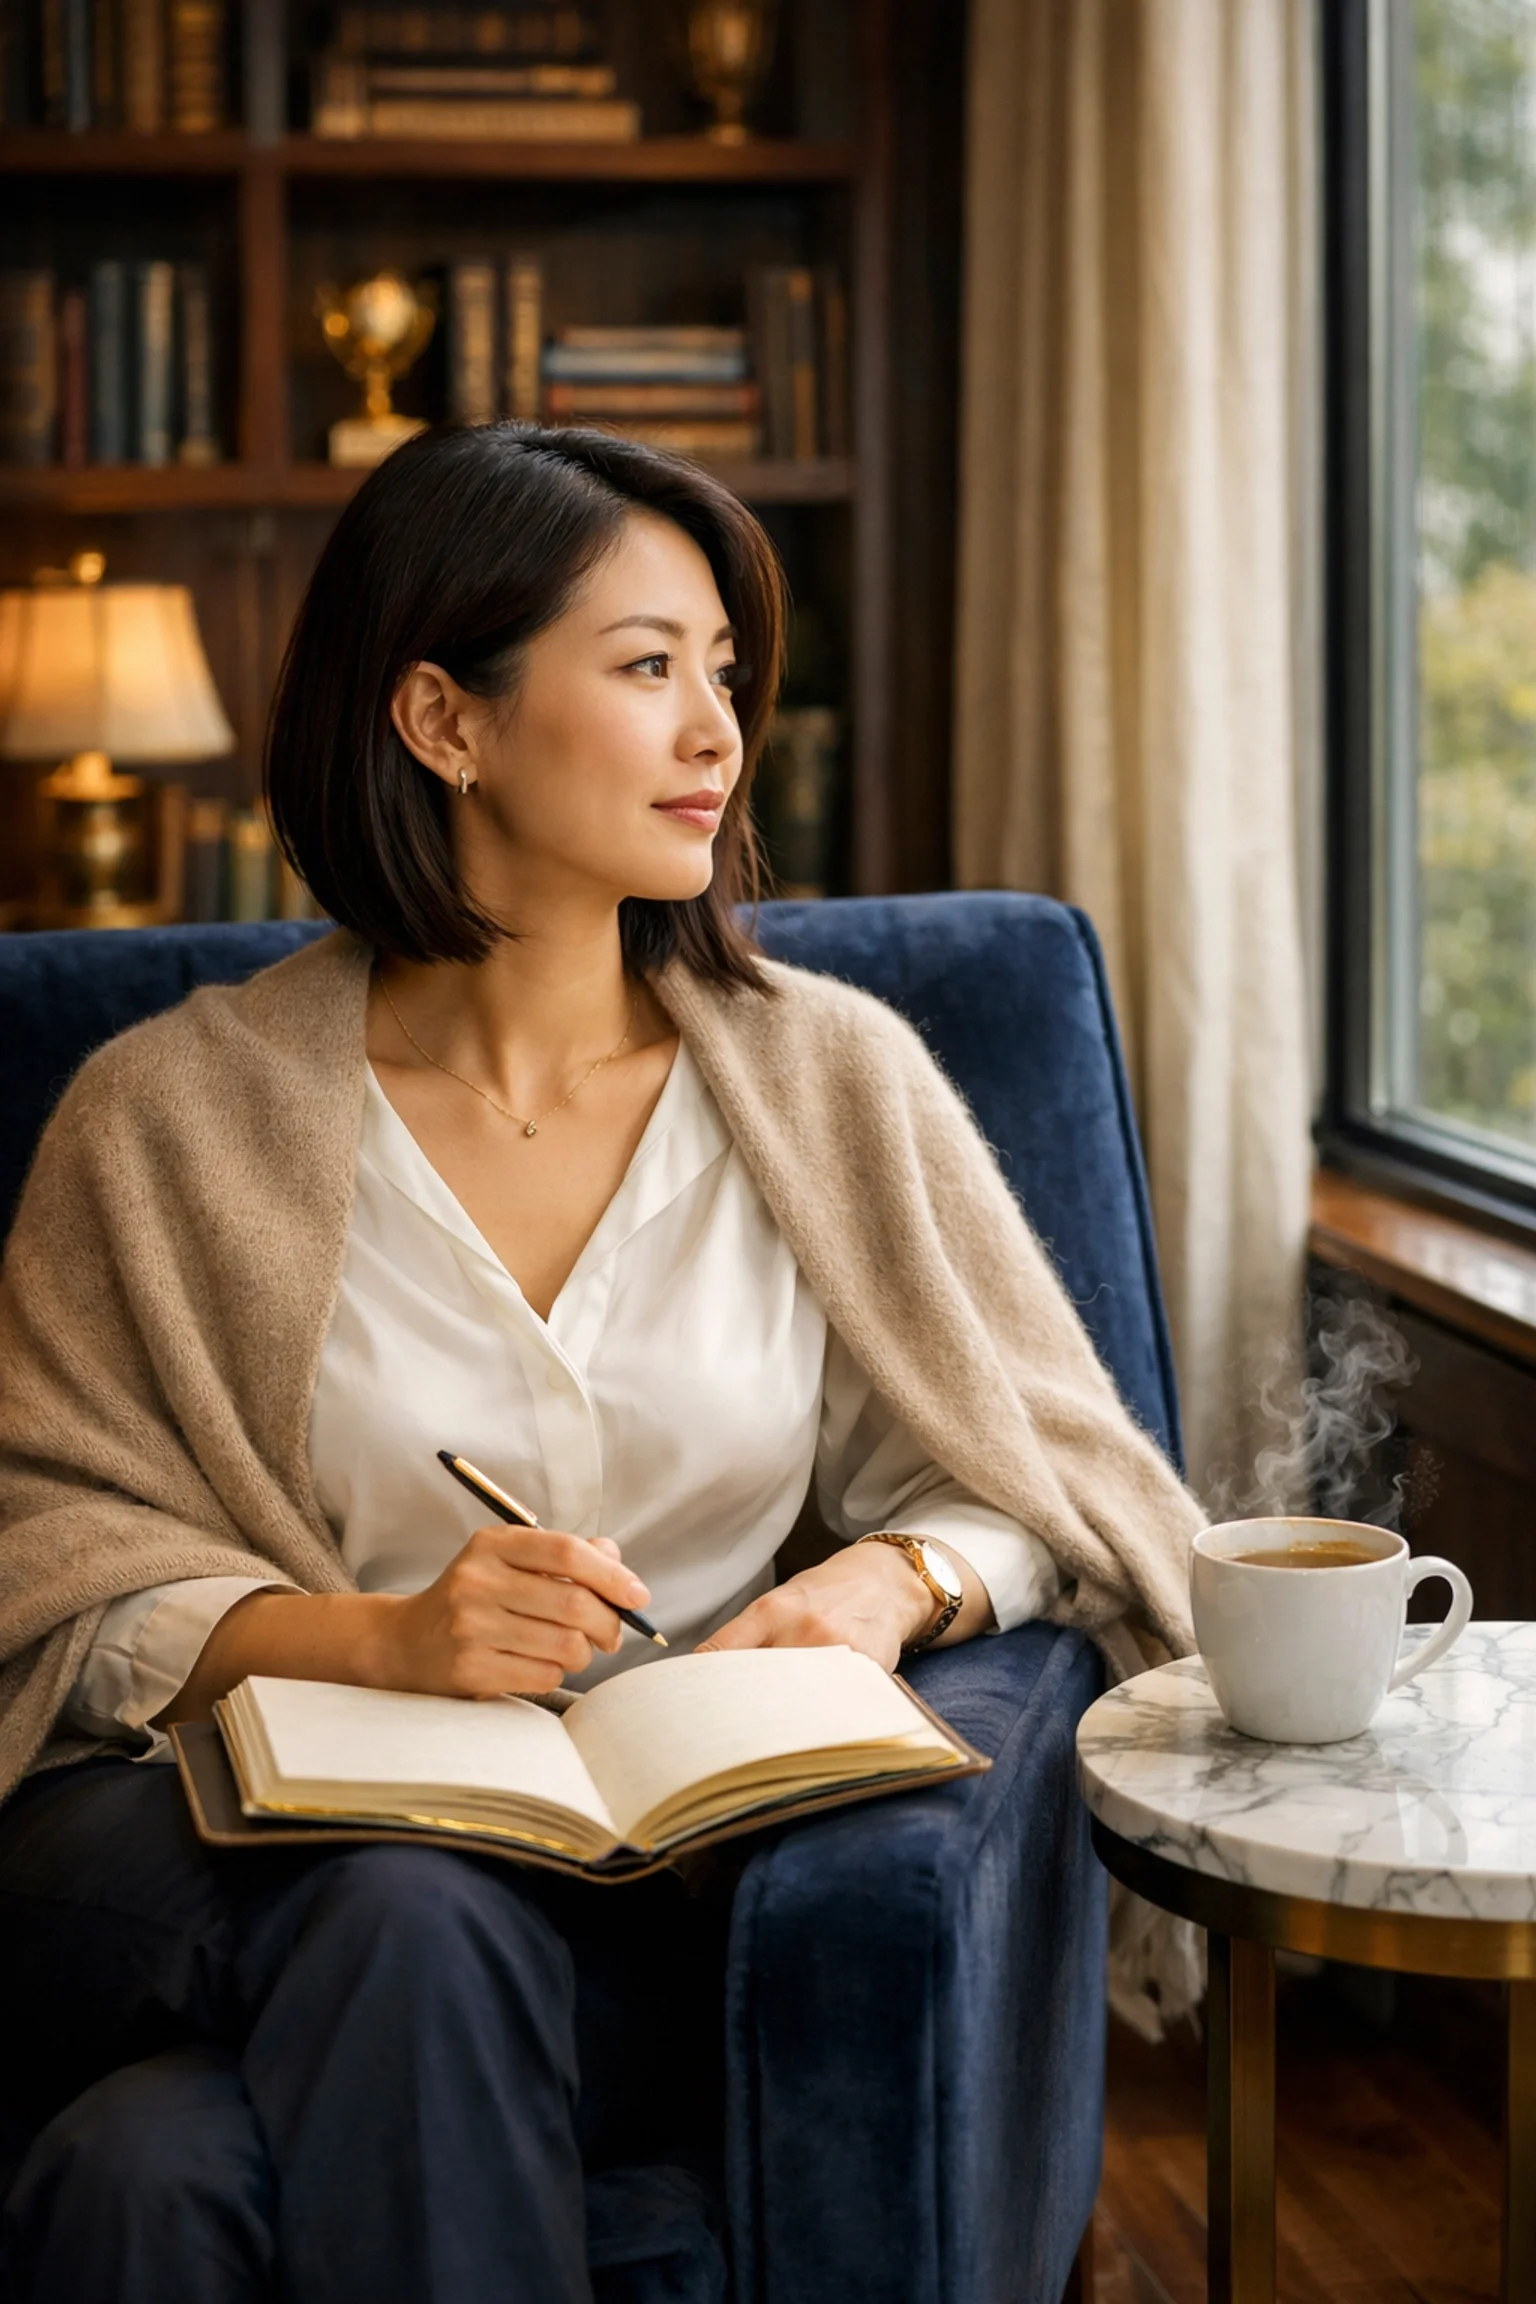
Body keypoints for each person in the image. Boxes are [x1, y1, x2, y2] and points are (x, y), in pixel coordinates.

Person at [0, 423, 1203, 2302]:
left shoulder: (832, 1081)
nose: (720, 730)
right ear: (442, 718)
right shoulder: (164, 1118)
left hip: (648, 1901)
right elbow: (45, 1551)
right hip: (202, 1843)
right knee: (399, 1896)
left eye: (725, 672)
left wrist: (893, 1580)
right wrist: (376, 1642)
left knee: (139, 2174)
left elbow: (1044, 1468)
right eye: (647, 667)